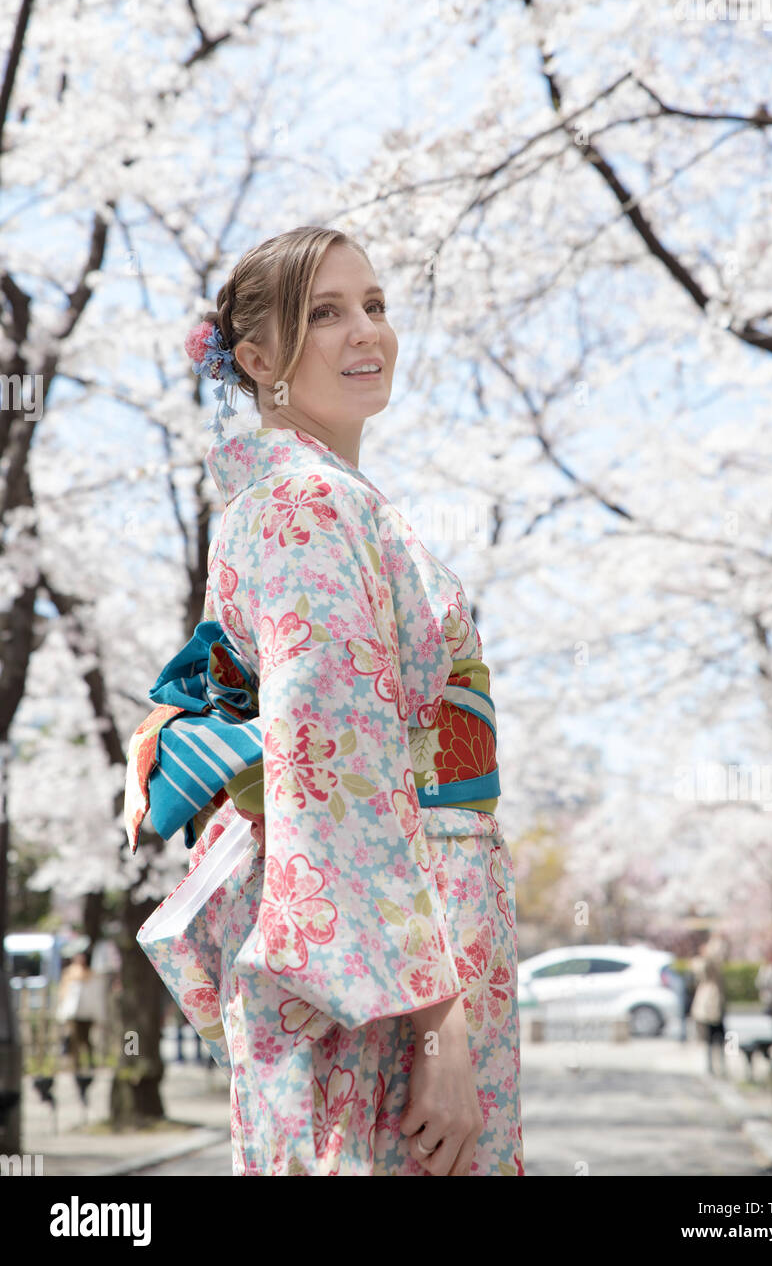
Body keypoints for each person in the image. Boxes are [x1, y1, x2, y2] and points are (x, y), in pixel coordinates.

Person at [123, 226, 524, 1177]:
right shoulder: (306, 506)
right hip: (385, 968)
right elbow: (330, 768)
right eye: (327, 313)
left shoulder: (325, 496)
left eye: (376, 306)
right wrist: (437, 1026)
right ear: (257, 359)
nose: (366, 333)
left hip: (403, 925)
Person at [56, 950, 102, 1073]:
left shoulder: (91, 974)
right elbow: (64, 993)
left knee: (86, 1039)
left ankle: (90, 1063)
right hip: (73, 1013)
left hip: (87, 1012)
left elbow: (95, 995)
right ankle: (76, 1065)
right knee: (74, 1039)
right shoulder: (69, 974)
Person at [690, 936, 727, 1076]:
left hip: (717, 1005)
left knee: (725, 1036)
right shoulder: (704, 964)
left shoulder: (714, 963)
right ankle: (712, 1065)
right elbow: (703, 967)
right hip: (710, 1006)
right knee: (711, 1037)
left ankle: (723, 1063)